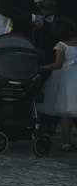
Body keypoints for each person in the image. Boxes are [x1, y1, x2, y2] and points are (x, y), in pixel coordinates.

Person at [39, 15, 77, 150]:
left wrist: (42, 67)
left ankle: (66, 142)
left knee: (65, 113)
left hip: (65, 79)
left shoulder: (61, 46)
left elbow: (58, 65)